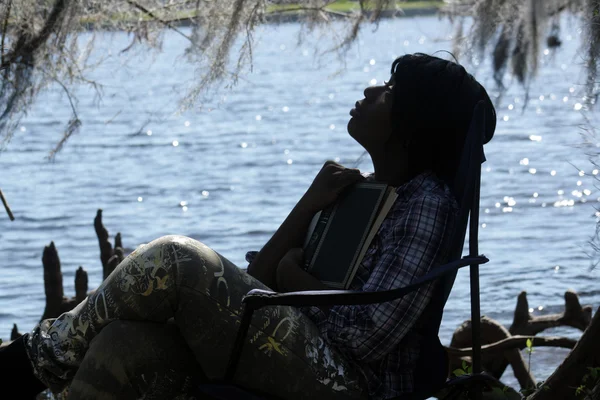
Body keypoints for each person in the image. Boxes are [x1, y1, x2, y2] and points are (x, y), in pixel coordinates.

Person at [0, 52, 496, 400]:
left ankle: (27, 364)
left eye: (388, 92)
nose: (370, 89)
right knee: (122, 346)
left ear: (412, 122)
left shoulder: (425, 203)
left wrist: (295, 276)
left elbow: (364, 338)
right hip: (295, 346)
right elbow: (263, 276)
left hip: (349, 382)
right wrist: (308, 205)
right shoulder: (359, 191)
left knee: (176, 257)